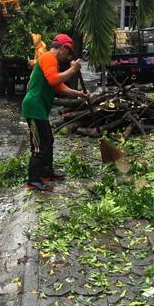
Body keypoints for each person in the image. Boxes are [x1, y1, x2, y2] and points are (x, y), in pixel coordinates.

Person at [21, 33, 89, 192]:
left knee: (48, 140)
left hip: (39, 109)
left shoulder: (52, 62)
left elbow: (59, 86)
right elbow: (53, 80)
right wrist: (72, 70)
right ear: (64, 48)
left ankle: (46, 172)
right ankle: (33, 180)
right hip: (33, 108)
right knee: (39, 146)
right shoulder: (48, 58)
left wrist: (78, 94)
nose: (68, 56)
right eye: (68, 52)